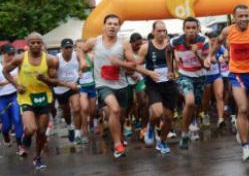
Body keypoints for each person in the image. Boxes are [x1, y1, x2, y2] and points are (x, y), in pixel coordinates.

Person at [206, 4, 249, 161]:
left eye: (246, 16)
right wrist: (209, 56)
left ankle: (241, 130)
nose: (243, 19)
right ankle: (245, 148)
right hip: (236, 74)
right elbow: (217, 43)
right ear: (234, 17)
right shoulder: (228, 31)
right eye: (240, 16)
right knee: (242, 109)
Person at [79, 14, 137, 158]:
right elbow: (81, 49)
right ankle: (117, 145)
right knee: (115, 110)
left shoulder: (124, 44)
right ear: (104, 26)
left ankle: (119, 137)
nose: (112, 26)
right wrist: (82, 61)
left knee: (120, 117)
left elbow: (133, 64)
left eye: (115, 24)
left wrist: (120, 63)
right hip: (103, 84)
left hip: (122, 85)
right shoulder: (94, 42)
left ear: (119, 27)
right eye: (109, 24)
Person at [3, 32, 57, 169]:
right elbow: (5, 71)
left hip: (44, 97)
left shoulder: (51, 60)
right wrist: (16, 85)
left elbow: (54, 82)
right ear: (28, 44)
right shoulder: (20, 58)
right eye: (32, 42)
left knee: (41, 131)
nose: (35, 45)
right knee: (32, 128)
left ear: (42, 44)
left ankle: (37, 157)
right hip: (26, 97)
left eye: (38, 42)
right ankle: (25, 138)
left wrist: (46, 79)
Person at [168, 17, 209, 149]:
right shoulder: (175, 41)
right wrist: (170, 70)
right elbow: (167, 51)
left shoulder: (204, 41)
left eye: (193, 28)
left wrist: (197, 53)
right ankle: (184, 133)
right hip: (184, 75)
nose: (191, 31)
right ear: (183, 29)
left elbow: (207, 66)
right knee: (189, 101)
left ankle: (193, 120)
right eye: (188, 28)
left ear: (198, 29)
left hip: (200, 77)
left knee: (195, 105)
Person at [136, 21, 177, 154]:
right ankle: (151, 126)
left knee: (169, 117)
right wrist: (149, 73)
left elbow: (176, 63)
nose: (161, 34)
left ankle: (162, 142)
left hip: (169, 84)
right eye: (159, 31)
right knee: (158, 112)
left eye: (164, 31)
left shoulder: (170, 46)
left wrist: (173, 72)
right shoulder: (146, 47)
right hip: (153, 84)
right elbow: (136, 65)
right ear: (153, 32)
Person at [54, 38, 82, 144]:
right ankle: (70, 126)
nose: (69, 49)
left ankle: (78, 134)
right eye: (66, 47)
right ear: (62, 49)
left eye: (70, 47)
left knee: (76, 109)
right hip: (60, 89)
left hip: (73, 86)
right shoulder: (56, 59)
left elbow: (82, 65)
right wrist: (66, 84)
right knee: (66, 112)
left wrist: (80, 72)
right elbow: (53, 78)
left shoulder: (77, 55)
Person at [0, 44, 26, 156]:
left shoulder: (16, 64)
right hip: (2, 98)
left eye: (13, 54)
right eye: (9, 54)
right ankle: (5, 134)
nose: (11, 57)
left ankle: (20, 146)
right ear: (3, 54)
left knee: (17, 119)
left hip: (15, 96)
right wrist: (10, 80)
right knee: (6, 124)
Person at [201, 31, 226, 128]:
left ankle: (220, 119)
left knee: (219, 95)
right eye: (212, 40)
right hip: (205, 75)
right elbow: (212, 60)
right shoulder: (204, 46)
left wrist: (224, 56)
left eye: (215, 40)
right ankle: (205, 114)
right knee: (206, 99)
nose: (214, 42)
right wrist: (214, 57)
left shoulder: (219, 46)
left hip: (216, 74)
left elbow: (226, 52)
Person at [75, 39, 98, 135]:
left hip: (92, 86)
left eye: (82, 47)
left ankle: (92, 122)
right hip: (82, 87)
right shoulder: (74, 59)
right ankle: (84, 128)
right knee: (84, 108)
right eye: (78, 47)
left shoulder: (91, 57)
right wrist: (79, 70)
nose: (80, 49)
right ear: (75, 48)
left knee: (92, 110)